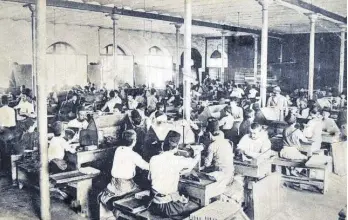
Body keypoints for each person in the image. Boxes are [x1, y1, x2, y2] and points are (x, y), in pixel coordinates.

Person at [148, 130, 200, 218]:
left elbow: (150, 178)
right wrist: (198, 153)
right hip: (166, 207)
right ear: (176, 147)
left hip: (154, 203)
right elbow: (193, 162)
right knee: (197, 206)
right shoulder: (177, 160)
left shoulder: (153, 159)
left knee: (180, 197)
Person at [98, 130, 149, 213]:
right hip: (125, 186)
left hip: (113, 183)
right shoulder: (134, 155)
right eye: (135, 139)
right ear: (134, 141)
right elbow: (147, 166)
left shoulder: (118, 150)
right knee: (144, 195)